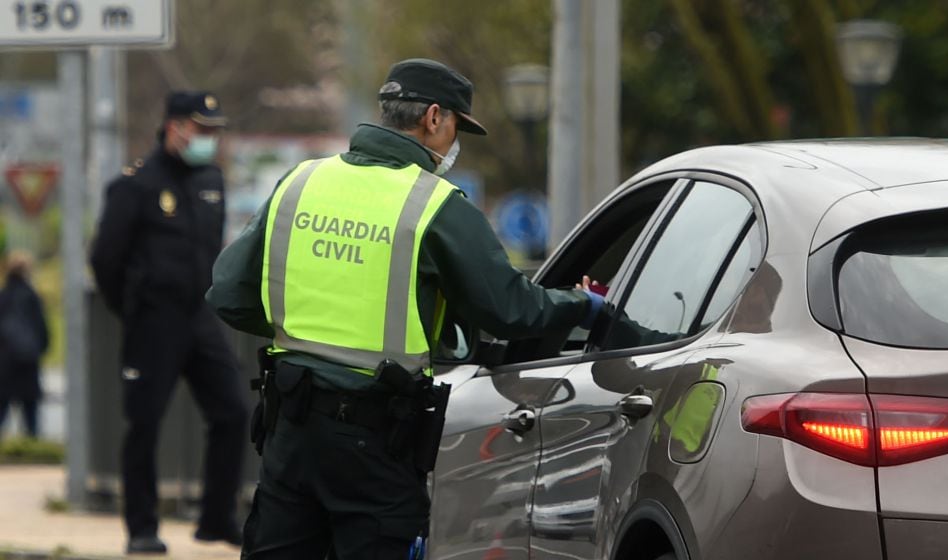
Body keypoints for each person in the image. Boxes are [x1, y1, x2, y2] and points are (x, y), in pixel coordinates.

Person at [206, 58, 604, 559]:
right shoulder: (436, 204)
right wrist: (583, 306)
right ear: (434, 118)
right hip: (375, 441)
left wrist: (301, 330)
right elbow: (511, 309)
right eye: (457, 127)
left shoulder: (302, 181)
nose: (454, 144)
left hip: (291, 430)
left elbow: (228, 292)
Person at [90, 91, 248, 555]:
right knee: (144, 425)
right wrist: (133, 308)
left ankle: (216, 518)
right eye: (202, 130)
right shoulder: (135, 185)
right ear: (175, 127)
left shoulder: (211, 179)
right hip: (153, 321)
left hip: (199, 316)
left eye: (215, 131)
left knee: (234, 412)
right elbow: (105, 260)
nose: (210, 140)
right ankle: (141, 527)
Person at [0, 251, 49, 439]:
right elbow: (42, 329)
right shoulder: (32, 297)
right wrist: (40, 349)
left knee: (2, 408)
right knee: (31, 415)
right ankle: (33, 445)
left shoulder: (3, 297)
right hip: (28, 360)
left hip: (4, 363)